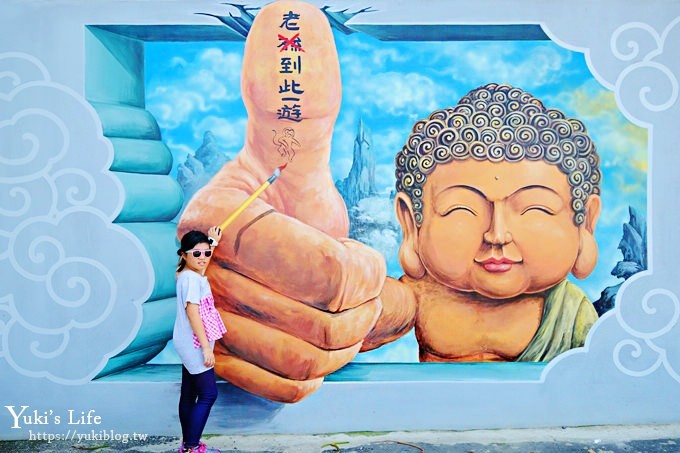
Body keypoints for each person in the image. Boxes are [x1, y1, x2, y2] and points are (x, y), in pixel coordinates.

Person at [177, 0, 601, 403]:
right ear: (411, 225)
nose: (496, 235)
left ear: (586, 226)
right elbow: (385, 309)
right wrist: (330, 298)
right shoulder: (425, 295)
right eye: (460, 210)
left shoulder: (573, 315)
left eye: (537, 209)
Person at [174, 226, 226, 453]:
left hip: (187, 341)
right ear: (183, 254)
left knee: (189, 394)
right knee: (208, 394)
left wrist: (211, 244)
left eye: (207, 253)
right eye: (197, 254)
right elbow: (192, 312)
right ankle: (192, 448)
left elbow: (199, 263)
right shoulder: (191, 280)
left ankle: (188, 445)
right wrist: (206, 349)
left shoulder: (188, 275)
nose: (204, 258)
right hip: (194, 344)